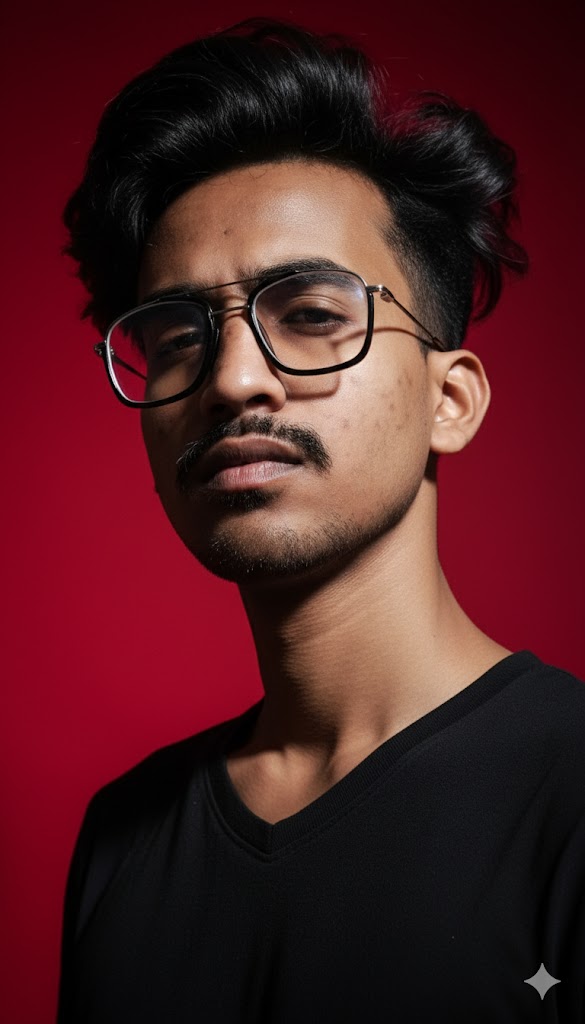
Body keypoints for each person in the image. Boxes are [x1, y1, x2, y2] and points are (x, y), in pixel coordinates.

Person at [57, 17, 585, 1023]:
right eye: (177, 338)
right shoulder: (123, 839)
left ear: (449, 400)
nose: (232, 380)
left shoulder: (567, 795)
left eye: (310, 315)